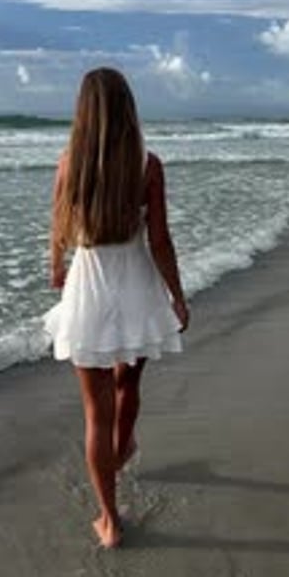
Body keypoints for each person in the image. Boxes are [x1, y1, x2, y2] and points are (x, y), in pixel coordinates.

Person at [44, 68, 189, 549]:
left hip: (89, 285)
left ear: (82, 111)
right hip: (137, 287)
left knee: (95, 414)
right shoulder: (147, 165)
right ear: (128, 108)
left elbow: (59, 229)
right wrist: (177, 294)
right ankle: (124, 446)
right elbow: (161, 239)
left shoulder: (69, 164)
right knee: (130, 381)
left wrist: (57, 268)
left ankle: (109, 520)